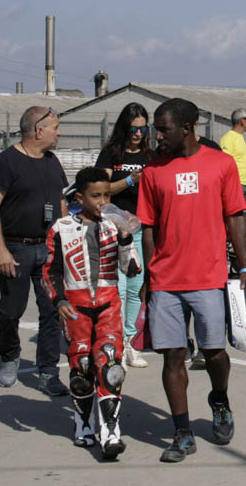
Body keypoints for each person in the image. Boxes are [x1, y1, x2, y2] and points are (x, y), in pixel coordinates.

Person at [136, 98, 246, 463]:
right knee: (172, 357)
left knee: (214, 352)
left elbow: (235, 217)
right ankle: (182, 433)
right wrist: (149, 275)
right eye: (156, 129)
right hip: (166, 281)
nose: (157, 136)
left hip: (208, 277)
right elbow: (148, 227)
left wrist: (245, 267)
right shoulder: (152, 172)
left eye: (164, 129)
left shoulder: (220, 164)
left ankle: (219, 399)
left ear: (187, 128)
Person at [42, 167, 140, 458]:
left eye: (107, 195)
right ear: (80, 197)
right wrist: (59, 300)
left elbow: (132, 270)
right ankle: (83, 425)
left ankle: (111, 433)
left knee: (110, 367)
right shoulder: (60, 228)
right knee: (82, 367)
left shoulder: (115, 225)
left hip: (108, 303)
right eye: (95, 196)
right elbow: (49, 270)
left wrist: (126, 239)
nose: (102, 202)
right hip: (75, 307)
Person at [0, 106, 69, 395]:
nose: (59, 133)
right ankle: (9, 358)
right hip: (16, 249)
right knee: (11, 310)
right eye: (55, 128)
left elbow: (61, 204)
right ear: (38, 130)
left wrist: (66, 243)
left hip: (49, 249)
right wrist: (0, 250)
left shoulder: (52, 161)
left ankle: (48, 371)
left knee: (52, 311)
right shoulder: (6, 162)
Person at [96, 102, 152, 368]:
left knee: (135, 287)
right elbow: (102, 189)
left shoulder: (150, 155)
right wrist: (130, 180)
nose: (138, 134)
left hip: (139, 229)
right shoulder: (111, 154)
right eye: (133, 129)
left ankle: (130, 341)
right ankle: (113, 342)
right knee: (115, 289)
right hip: (113, 230)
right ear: (123, 128)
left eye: (143, 128)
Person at [219, 108, 246, 199]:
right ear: (242, 121)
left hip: (244, 184)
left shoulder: (240, 137)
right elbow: (224, 163)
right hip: (235, 184)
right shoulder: (228, 138)